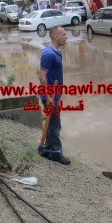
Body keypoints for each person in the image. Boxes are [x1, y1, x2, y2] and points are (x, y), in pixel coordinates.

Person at [39, 26, 70, 165]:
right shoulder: (49, 54)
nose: (66, 36)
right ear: (56, 37)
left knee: (51, 123)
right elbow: (42, 76)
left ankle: (48, 149)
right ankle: (56, 153)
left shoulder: (56, 52)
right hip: (49, 94)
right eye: (64, 34)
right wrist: (48, 96)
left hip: (54, 93)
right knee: (55, 125)